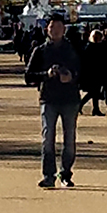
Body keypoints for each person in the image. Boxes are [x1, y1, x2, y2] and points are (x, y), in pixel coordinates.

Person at [25, 13, 81, 188]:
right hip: (48, 99)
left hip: (70, 99)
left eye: (58, 27)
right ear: (46, 29)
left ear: (64, 29)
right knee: (48, 138)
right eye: (52, 27)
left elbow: (85, 71)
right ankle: (49, 175)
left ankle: (65, 173)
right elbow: (28, 76)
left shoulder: (73, 49)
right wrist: (46, 75)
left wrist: (71, 76)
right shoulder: (40, 51)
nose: (55, 31)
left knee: (69, 139)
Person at [79, 29, 105, 116]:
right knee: (94, 92)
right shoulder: (91, 47)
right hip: (92, 73)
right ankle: (83, 105)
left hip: (95, 72)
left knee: (95, 92)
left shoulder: (90, 46)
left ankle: (95, 109)